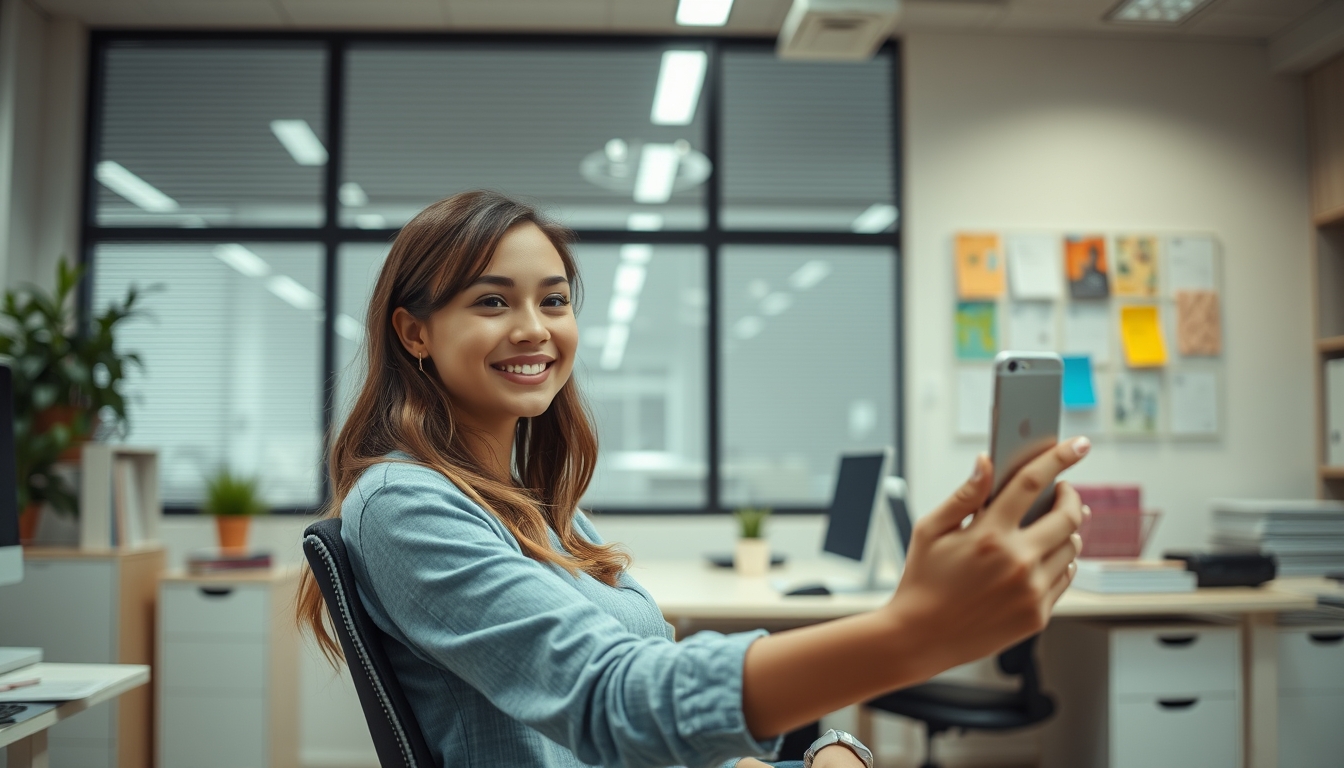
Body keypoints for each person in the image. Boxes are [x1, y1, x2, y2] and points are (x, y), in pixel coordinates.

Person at [296, 191, 1088, 768]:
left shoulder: (546, 511)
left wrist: (810, 754)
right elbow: (614, 702)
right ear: (415, 332)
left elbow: (659, 695)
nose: (534, 328)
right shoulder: (404, 503)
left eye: (555, 300)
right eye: (493, 301)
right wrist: (911, 636)